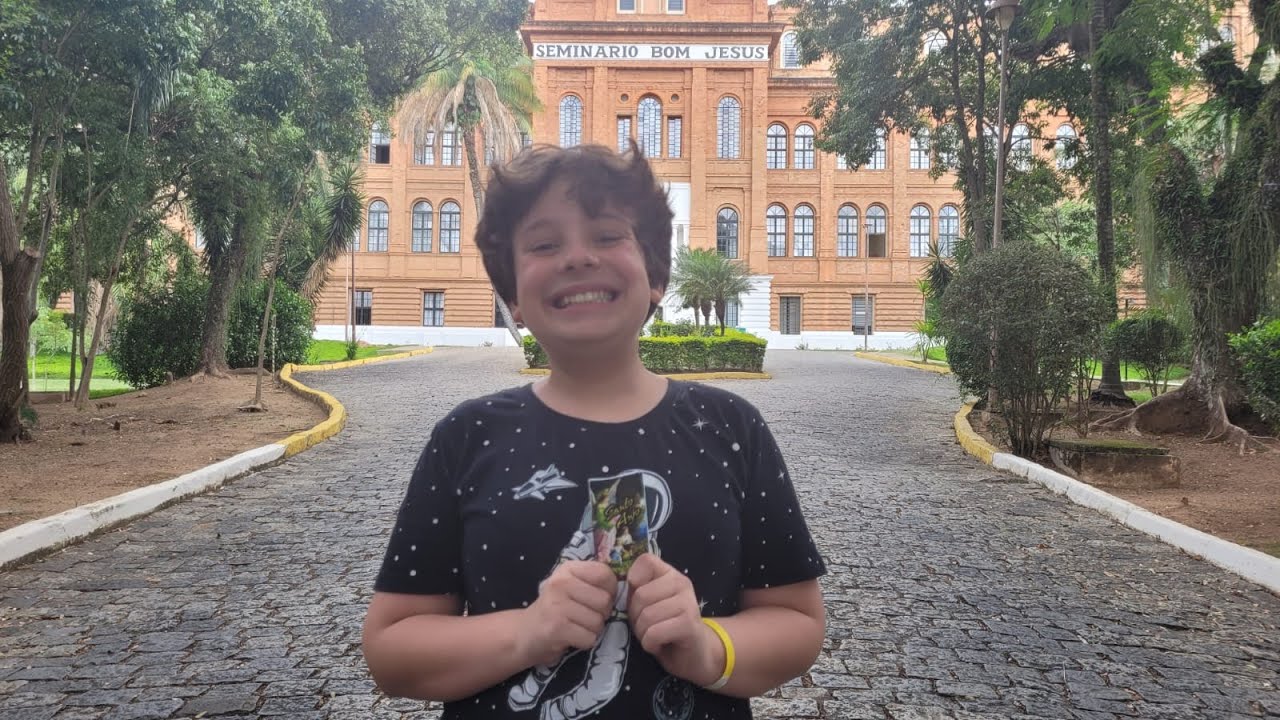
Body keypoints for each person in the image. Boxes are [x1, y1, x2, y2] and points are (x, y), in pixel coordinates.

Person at [362, 143, 827, 720]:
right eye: (544, 244)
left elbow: (799, 621)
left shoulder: (731, 429)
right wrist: (528, 632)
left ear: (656, 276)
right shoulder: (467, 437)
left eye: (608, 236)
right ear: (514, 298)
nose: (578, 258)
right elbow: (390, 649)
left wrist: (708, 647)